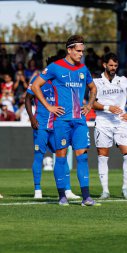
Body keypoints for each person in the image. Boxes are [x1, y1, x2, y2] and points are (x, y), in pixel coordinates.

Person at [31, 35, 99, 206]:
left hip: (79, 121)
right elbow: (34, 86)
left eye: (82, 51)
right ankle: (62, 196)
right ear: (69, 50)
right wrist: (48, 106)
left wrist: (90, 104)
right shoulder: (55, 67)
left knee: (82, 157)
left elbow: (93, 87)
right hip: (61, 121)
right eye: (78, 51)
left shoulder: (83, 69)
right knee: (60, 158)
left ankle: (86, 197)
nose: (81, 54)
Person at [25, 56, 80, 200]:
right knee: (38, 156)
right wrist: (31, 117)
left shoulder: (64, 81)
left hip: (58, 125)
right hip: (41, 124)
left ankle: (67, 190)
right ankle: (38, 189)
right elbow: (27, 98)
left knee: (62, 157)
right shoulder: (38, 80)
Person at [92, 52, 127, 200]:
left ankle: (125, 188)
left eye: (116, 66)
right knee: (103, 157)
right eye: (111, 65)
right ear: (104, 65)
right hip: (103, 123)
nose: (113, 68)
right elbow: (91, 103)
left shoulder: (123, 80)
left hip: (120, 122)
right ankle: (105, 191)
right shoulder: (96, 82)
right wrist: (107, 108)